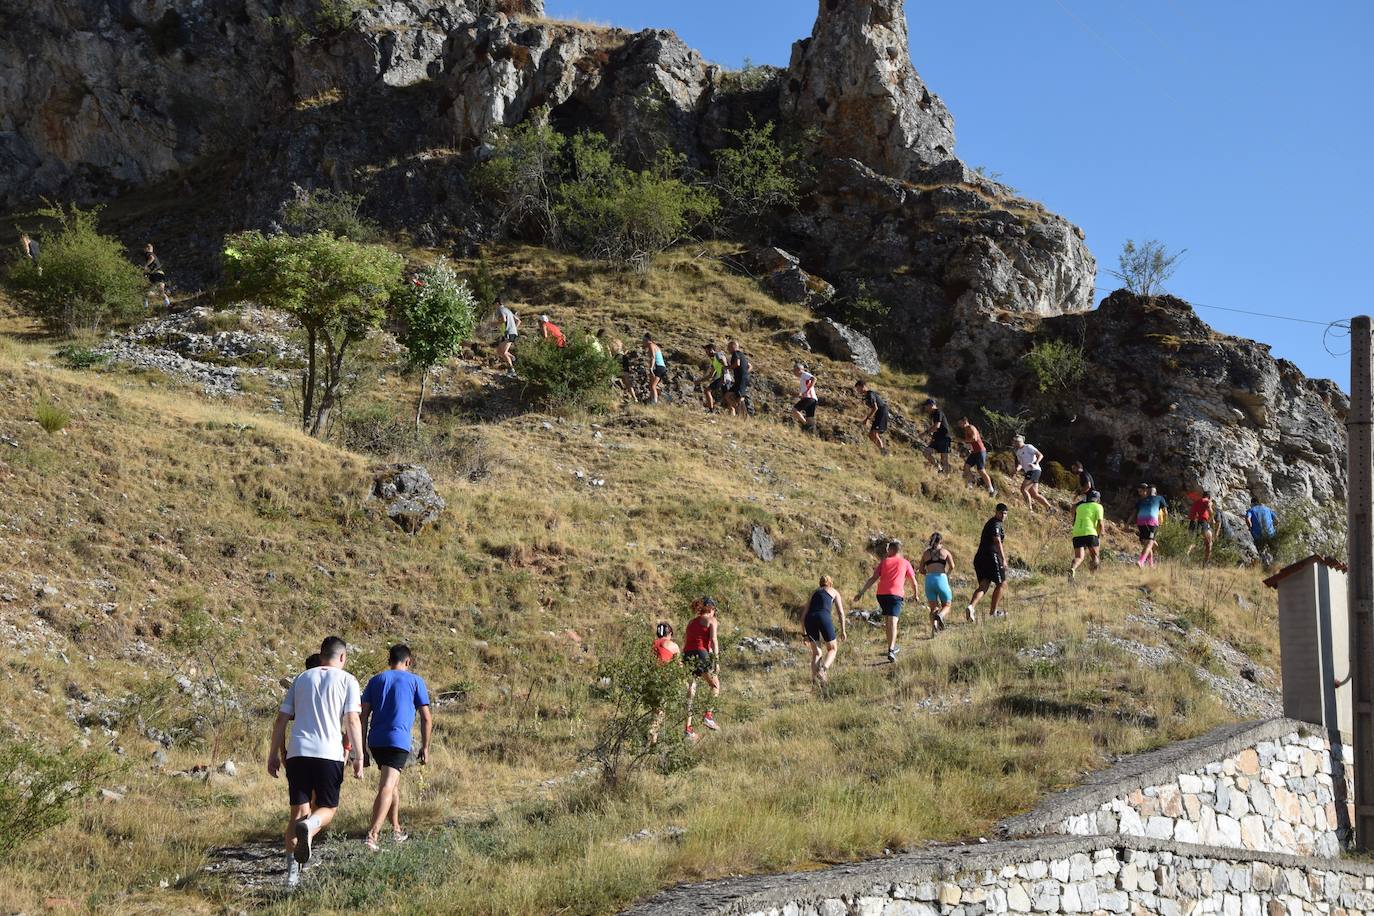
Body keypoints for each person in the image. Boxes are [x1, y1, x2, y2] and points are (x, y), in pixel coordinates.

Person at [267, 636, 363, 890]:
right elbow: (352, 720)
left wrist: (273, 754)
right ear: (342, 657)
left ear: (321, 656)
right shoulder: (347, 680)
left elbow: (281, 719)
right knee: (327, 810)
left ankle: (291, 876)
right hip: (328, 754)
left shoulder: (301, 678)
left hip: (298, 753)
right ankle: (309, 828)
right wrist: (359, 757)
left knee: (296, 813)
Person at [359, 645, 432, 852]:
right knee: (387, 787)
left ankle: (396, 829)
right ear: (408, 661)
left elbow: (362, 716)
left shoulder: (375, 680)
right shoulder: (416, 681)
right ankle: (372, 835)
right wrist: (425, 747)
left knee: (393, 786)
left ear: (389, 660)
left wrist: (362, 748)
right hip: (397, 741)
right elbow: (426, 718)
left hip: (376, 741)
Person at [854, 539, 918, 662]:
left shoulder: (884, 562)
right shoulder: (905, 563)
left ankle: (891, 647)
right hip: (895, 595)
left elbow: (873, 578)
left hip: (882, 595)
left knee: (889, 621)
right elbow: (914, 582)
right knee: (893, 621)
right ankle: (891, 649)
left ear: (893, 550)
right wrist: (916, 595)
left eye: (888, 549)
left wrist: (861, 592)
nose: (886, 551)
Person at [681, 597, 721, 738]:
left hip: (687, 655)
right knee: (715, 686)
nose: (714, 613)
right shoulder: (711, 621)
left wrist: (681, 659)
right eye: (714, 610)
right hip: (701, 654)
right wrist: (716, 661)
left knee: (691, 691)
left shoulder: (691, 622)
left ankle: (688, 729)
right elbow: (714, 641)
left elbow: (685, 641)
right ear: (711, 609)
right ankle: (708, 717)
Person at [967, 504, 1009, 621]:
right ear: (996, 512)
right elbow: (997, 541)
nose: (1003, 516)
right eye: (1001, 513)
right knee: (1002, 583)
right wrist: (1003, 559)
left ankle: (971, 607)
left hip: (980, 558)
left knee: (984, 585)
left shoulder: (991, 523)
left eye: (1005, 513)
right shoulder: (996, 523)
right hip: (990, 556)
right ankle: (993, 612)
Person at [802, 575, 846, 685]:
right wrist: (843, 630)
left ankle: (814, 682)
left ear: (819, 584)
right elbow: (840, 612)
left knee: (817, 653)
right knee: (832, 649)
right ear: (830, 583)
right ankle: (823, 670)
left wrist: (804, 635)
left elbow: (803, 616)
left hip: (810, 619)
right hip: (823, 617)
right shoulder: (834, 591)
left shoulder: (813, 593)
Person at [649, 621, 682, 744]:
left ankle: (652, 741)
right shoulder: (672, 645)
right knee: (661, 710)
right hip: (664, 679)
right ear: (670, 633)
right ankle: (653, 734)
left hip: (651, 679)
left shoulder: (653, 644)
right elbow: (680, 666)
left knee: (655, 709)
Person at [920, 532, 956, 635]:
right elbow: (952, 566)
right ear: (941, 541)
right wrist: (947, 574)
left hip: (929, 580)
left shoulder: (926, 553)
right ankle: (940, 616)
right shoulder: (945, 552)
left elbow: (921, 570)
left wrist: (929, 573)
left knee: (933, 608)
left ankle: (934, 628)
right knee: (947, 605)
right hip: (941, 578)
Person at [1129, 483, 1169, 568]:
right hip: (1152, 522)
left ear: (1147, 491)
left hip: (1140, 522)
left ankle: (1151, 565)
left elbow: (1133, 513)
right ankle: (1141, 561)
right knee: (1150, 543)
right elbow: (1165, 512)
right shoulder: (1160, 498)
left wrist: (1127, 524)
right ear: (1155, 492)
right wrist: (1165, 523)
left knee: (1148, 544)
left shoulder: (1141, 500)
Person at [1070, 490, 1105, 582]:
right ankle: (1092, 577)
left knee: (1079, 557)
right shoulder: (1098, 507)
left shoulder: (1080, 506)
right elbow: (1100, 523)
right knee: (1095, 557)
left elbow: (1073, 513)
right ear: (1098, 500)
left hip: (1077, 533)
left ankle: (1072, 569)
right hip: (1091, 533)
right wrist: (1102, 533)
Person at [1013, 436, 1052, 511]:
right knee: (1034, 494)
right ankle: (1050, 508)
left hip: (1034, 470)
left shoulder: (1028, 447)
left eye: (1018, 441)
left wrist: (1035, 463)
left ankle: (1029, 509)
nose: (1016, 443)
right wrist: (1016, 470)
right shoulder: (1018, 452)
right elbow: (1021, 464)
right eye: (1015, 441)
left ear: (1022, 441)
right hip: (1030, 471)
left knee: (1023, 489)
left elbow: (1040, 455)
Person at [958, 417, 995, 497]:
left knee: (981, 470)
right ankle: (970, 484)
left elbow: (974, 438)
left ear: (964, 421)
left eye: (960, 422)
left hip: (980, 451)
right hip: (974, 452)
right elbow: (970, 442)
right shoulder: (966, 430)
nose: (959, 425)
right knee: (966, 466)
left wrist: (963, 441)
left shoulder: (971, 427)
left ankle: (991, 490)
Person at [854, 380, 889, 455]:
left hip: (882, 412)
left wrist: (867, 419)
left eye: (858, 388)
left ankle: (884, 452)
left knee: (874, 433)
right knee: (871, 435)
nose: (857, 391)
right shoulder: (867, 395)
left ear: (863, 386)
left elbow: (875, 408)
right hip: (879, 413)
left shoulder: (870, 394)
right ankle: (883, 451)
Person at [1186, 490, 1219, 563]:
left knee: (1193, 542)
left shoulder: (1196, 502)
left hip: (1192, 523)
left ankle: (1186, 554)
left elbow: (1190, 513)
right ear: (1209, 497)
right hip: (1202, 522)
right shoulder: (1207, 501)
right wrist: (1212, 519)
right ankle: (1206, 563)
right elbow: (1209, 507)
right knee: (1209, 544)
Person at [922, 399, 952, 473]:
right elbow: (936, 428)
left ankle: (946, 476)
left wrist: (925, 433)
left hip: (944, 438)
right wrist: (932, 438)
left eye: (926, 406)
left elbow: (936, 426)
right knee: (926, 452)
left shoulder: (938, 412)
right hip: (937, 438)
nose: (925, 408)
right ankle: (939, 468)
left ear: (931, 405)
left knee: (944, 458)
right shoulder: (933, 414)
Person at [1246, 496, 1278, 560]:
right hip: (1270, 533)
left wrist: (1250, 527)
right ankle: (1277, 562)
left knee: (1260, 551)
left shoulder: (1251, 510)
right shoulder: (1267, 509)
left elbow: (1248, 519)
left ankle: (1262, 566)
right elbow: (1277, 520)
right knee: (1274, 550)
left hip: (1258, 535)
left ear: (1252, 503)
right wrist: (1273, 527)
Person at [697, 343, 727, 412]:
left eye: (707, 351)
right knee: (726, 398)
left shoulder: (718, 355)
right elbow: (711, 375)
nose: (706, 353)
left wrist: (723, 377)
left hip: (723, 377)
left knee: (707, 391)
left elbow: (724, 364)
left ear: (711, 350)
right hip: (722, 378)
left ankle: (711, 410)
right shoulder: (714, 359)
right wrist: (700, 381)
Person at [725, 340, 751, 418]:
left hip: (741, 380)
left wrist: (727, 367)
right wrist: (745, 373)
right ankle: (742, 414)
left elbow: (737, 363)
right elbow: (750, 366)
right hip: (741, 379)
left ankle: (744, 416)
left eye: (729, 347)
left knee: (740, 398)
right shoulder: (742, 355)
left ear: (733, 346)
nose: (728, 349)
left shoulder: (735, 353)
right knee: (728, 395)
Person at [494, 300, 520, 376]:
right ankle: (513, 358)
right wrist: (514, 328)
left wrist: (493, 324)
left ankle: (511, 370)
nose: (494, 306)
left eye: (494, 304)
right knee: (499, 351)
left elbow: (503, 320)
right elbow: (518, 321)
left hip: (509, 333)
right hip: (509, 333)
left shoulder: (500, 309)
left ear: (497, 303)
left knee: (503, 352)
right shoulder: (507, 310)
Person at [143, 243, 171, 309]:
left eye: (144, 249)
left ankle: (145, 306)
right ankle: (168, 305)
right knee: (161, 291)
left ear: (147, 248)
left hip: (155, 274)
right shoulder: (154, 255)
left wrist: (146, 266)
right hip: (161, 274)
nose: (143, 250)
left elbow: (151, 258)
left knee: (147, 292)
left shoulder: (149, 254)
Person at [792, 362, 819, 431]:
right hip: (813, 399)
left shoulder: (804, 374)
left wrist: (808, 391)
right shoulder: (802, 378)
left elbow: (814, 379)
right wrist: (801, 394)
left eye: (794, 370)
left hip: (809, 398)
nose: (793, 373)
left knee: (795, 410)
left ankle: (805, 425)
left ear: (799, 370)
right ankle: (812, 433)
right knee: (810, 418)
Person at [611, 337, 638, 403]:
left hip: (621, 371)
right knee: (628, 384)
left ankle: (617, 397)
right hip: (626, 371)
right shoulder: (623, 355)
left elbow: (613, 364)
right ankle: (635, 398)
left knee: (611, 379)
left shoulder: (618, 355)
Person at [643, 333, 667, 404]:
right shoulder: (656, 346)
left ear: (647, 340)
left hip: (658, 367)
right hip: (662, 368)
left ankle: (654, 403)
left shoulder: (651, 345)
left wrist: (650, 368)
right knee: (652, 385)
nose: (643, 342)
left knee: (653, 386)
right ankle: (663, 396)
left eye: (643, 340)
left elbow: (653, 357)